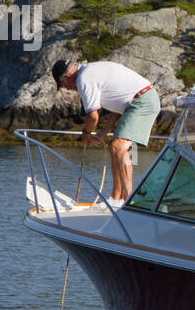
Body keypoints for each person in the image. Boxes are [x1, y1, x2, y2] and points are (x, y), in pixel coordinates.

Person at [51, 59, 160, 208]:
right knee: (112, 146)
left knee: (118, 146)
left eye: (64, 85)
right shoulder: (90, 72)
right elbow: (118, 105)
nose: (68, 89)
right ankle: (116, 197)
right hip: (136, 101)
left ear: (67, 77)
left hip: (143, 101)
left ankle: (127, 201)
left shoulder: (84, 79)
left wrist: (86, 133)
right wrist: (103, 132)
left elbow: (93, 117)